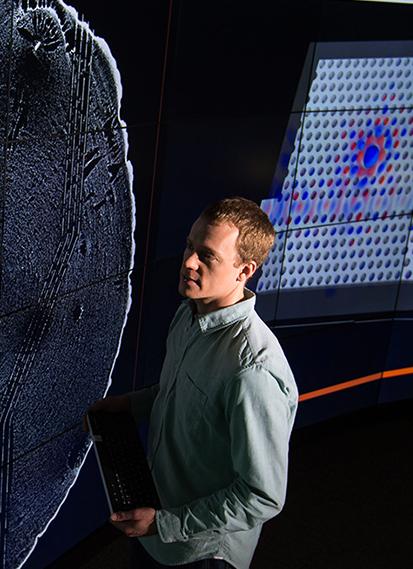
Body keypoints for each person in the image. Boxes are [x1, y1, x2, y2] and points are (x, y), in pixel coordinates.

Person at [86, 197, 298, 569]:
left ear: (244, 270)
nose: (188, 262)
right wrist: (132, 405)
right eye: (189, 245)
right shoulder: (189, 314)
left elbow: (262, 496)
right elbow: (183, 395)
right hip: (155, 528)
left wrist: (168, 524)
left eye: (207, 256)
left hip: (199, 553)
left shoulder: (252, 369)